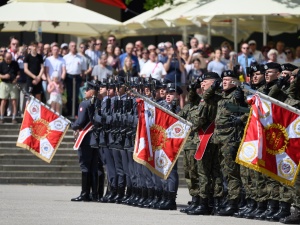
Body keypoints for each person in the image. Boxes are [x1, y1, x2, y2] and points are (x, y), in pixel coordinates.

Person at [203, 69, 247, 216]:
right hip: (220, 138)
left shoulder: (238, 95)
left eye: (227, 80)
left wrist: (240, 114)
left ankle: (234, 202)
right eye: (223, 80)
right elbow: (206, 97)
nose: (224, 82)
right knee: (224, 171)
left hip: (231, 137)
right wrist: (214, 87)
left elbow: (250, 110)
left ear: (234, 81)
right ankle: (230, 200)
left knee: (232, 172)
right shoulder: (221, 95)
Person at [186, 72, 224, 216]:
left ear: (213, 83)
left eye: (205, 82)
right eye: (201, 83)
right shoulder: (207, 98)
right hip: (208, 138)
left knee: (205, 173)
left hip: (208, 138)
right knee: (209, 172)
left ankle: (206, 203)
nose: (202, 84)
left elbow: (200, 119)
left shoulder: (211, 99)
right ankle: (209, 202)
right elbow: (192, 101)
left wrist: (190, 126)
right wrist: (192, 89)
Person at [71, 80, 100, 202]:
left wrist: (72, 125)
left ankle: (85, 193)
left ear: (92, 91)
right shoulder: (99, 102)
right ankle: (95, 194)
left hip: (86, 137)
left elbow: (81, 122)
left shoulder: (84, 104)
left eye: (87, 89)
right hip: (95, 138)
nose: (85, 91)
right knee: (94, 166)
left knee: (85, 165)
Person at [63, 41, 84, 117]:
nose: (74, 47)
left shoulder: (80, 58)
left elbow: (83, 70)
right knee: (69, 95)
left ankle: (75, 113)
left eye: (75, 46)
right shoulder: (65, 58)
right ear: (69, 47)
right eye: (72, 46)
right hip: (69, 77)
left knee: (76, 96)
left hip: (77, 77)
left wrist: (82, 80)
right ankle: (69, 113)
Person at [0, 52, 20, 124]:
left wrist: (16, 78)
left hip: (13, 84)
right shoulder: (1, 64)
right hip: (4, 83)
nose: (9, 60)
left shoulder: (15, 64)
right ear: (4, 57)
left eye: (10, 58)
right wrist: (4, 76)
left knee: (14, 101)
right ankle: (1, 117)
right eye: (7, 59)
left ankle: (14, 117)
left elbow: (18, 73)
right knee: (3, 101)